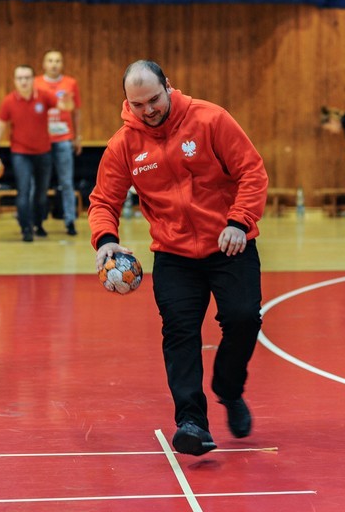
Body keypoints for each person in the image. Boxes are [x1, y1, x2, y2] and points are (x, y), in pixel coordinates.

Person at [89, 61, 268, 456]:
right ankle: (192, 422)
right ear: (127, 103)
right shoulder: (124, 144)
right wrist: (105, 240)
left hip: (229, 243)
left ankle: (228, 388)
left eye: (154, 99)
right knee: (180, 333)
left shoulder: (211, 119)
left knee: (243, 318)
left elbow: (252, 171)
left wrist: (239, 221)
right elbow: (103, 200)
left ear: (168, 86)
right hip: (174, 254)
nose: (148, 110)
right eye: (138, 105)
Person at [0, 65, 74, 242]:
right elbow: (0, 126)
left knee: (41, 194)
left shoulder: (44, 96)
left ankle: (38, 224)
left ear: (33, 79)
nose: (23, 81)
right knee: (24, 191)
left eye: (27, 77)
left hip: (43, 153)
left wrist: (67, 101)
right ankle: (26, 228)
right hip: (20, 154)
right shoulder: (9, 101)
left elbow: (66, 107)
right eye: (20, 78)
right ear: (15, 81)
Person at [34, 49, 82, 235]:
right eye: (50, 60)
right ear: (44, 64)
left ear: (62, 64)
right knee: (40, 184)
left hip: (64, 139)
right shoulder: (36, 83)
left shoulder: (70, 83)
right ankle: (38, 222)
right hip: (42, 141)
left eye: (57, 60)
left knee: (67, 182)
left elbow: (76, 112)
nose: (54, 64)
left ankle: (70, 221)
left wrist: (78, 136)